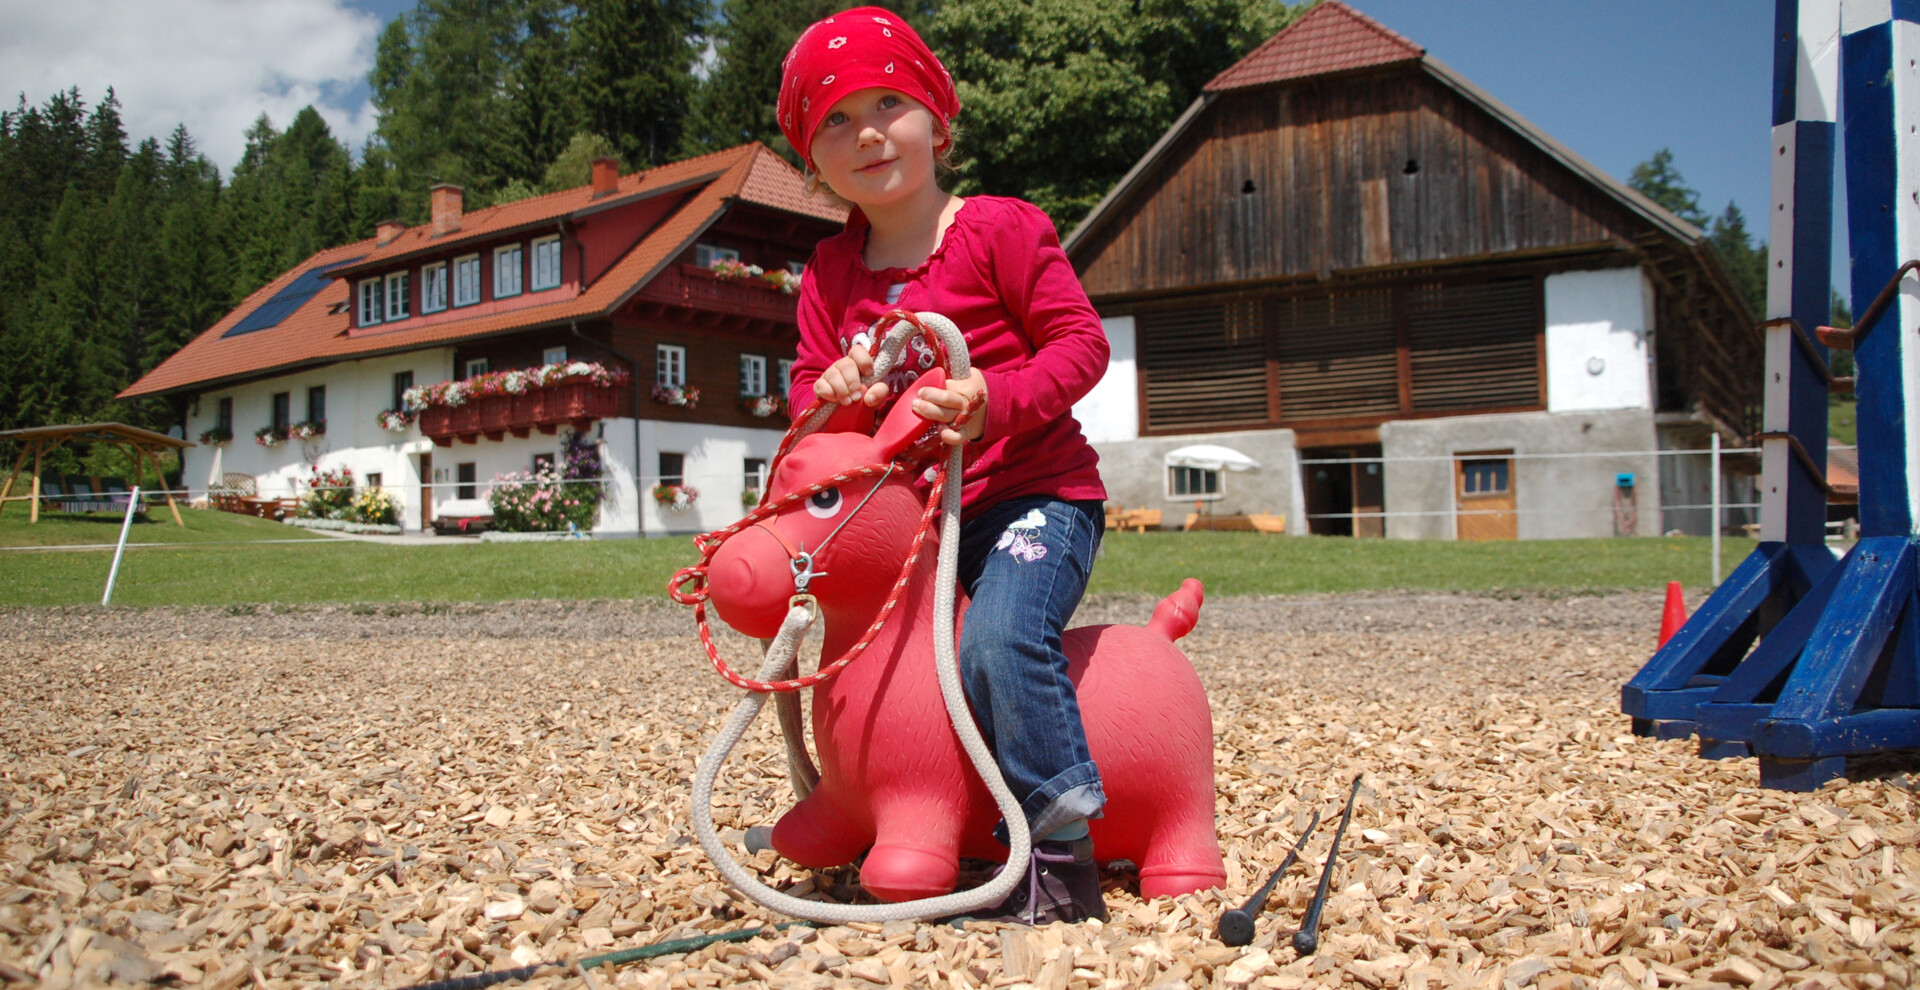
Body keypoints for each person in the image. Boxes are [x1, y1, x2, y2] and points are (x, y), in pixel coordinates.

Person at [779, 6, 1114, 924]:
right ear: (814, 160)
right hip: (917, 525)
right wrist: (843, 388)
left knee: (998, 640)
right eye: (835, 120)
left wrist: (992, 400)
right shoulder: (826, 272)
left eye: (888, 102)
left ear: (937, 120)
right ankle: (897, 808)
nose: (867, 132)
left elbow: (1081, 345)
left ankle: (1060, 852)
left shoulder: (1001, 229)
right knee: (885, 677)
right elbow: (812, 414)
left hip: (1034, 495)